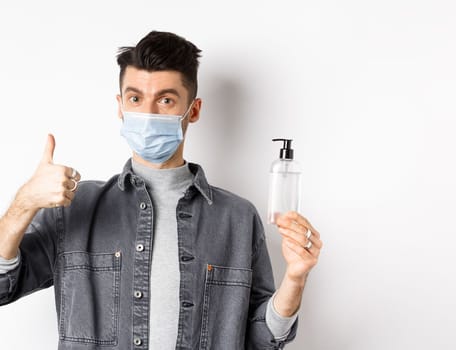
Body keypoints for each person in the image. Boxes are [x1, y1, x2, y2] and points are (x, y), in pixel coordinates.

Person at [0, 30, 322, 349]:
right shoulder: (75, 207)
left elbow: (260, 339)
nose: (148, 114)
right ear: (120, 106)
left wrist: (295, 278)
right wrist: (23, 205)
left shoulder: (237, 219)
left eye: (166, 100)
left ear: (193, 110)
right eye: (136, 98)